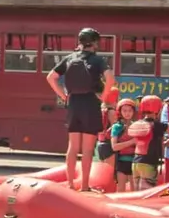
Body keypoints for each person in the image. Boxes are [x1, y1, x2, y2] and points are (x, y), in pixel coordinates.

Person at [46, 28, 117, 191]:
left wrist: (64, 96)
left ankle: (70, 184)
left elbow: (51, 77)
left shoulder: (70, 58)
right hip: (90, 102)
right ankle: (84, 186)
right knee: (87, 149)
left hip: (73, 103)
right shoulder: (98, 60)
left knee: (72, 147)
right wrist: (104, 96)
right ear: (95, 43)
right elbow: (110, 78)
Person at [129, 96, 169, 187]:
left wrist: (164, 143)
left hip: (136, 163)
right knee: (147, 193)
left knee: (138, 193)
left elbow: (148, 141)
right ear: (157, 110)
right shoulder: (157, 125)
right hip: (149, 164)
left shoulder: (139, 123)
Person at [107, 99, 140, 191]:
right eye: (124, 111)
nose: (127, 113)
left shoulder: (136, 126)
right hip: (121, 162)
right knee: (120, 189)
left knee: (135, 190)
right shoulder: (117, 127)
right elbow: (114, 147)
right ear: (120, 112)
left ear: (133, 112)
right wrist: (132, 142)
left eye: (130, 111)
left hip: (135, 161)